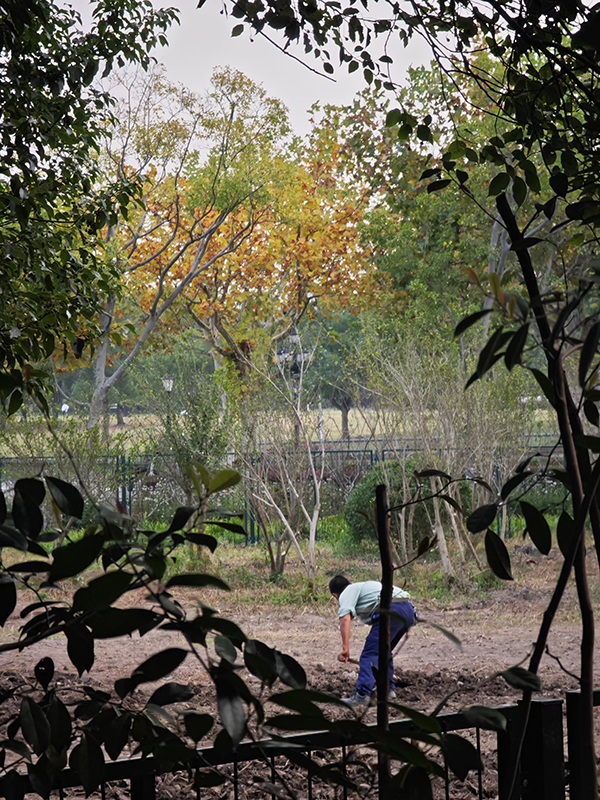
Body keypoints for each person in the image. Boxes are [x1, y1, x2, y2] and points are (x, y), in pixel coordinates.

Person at [329, 575, 416, 707]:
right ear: (350, 582)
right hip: (408, 610)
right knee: (383, 651)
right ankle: (387, 690)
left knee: (369, 655)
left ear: (335, 595)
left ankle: (362, 695)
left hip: (392, 610)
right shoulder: (362, 587)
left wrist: (345, 649)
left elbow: (345, 618)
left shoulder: (348, 591)